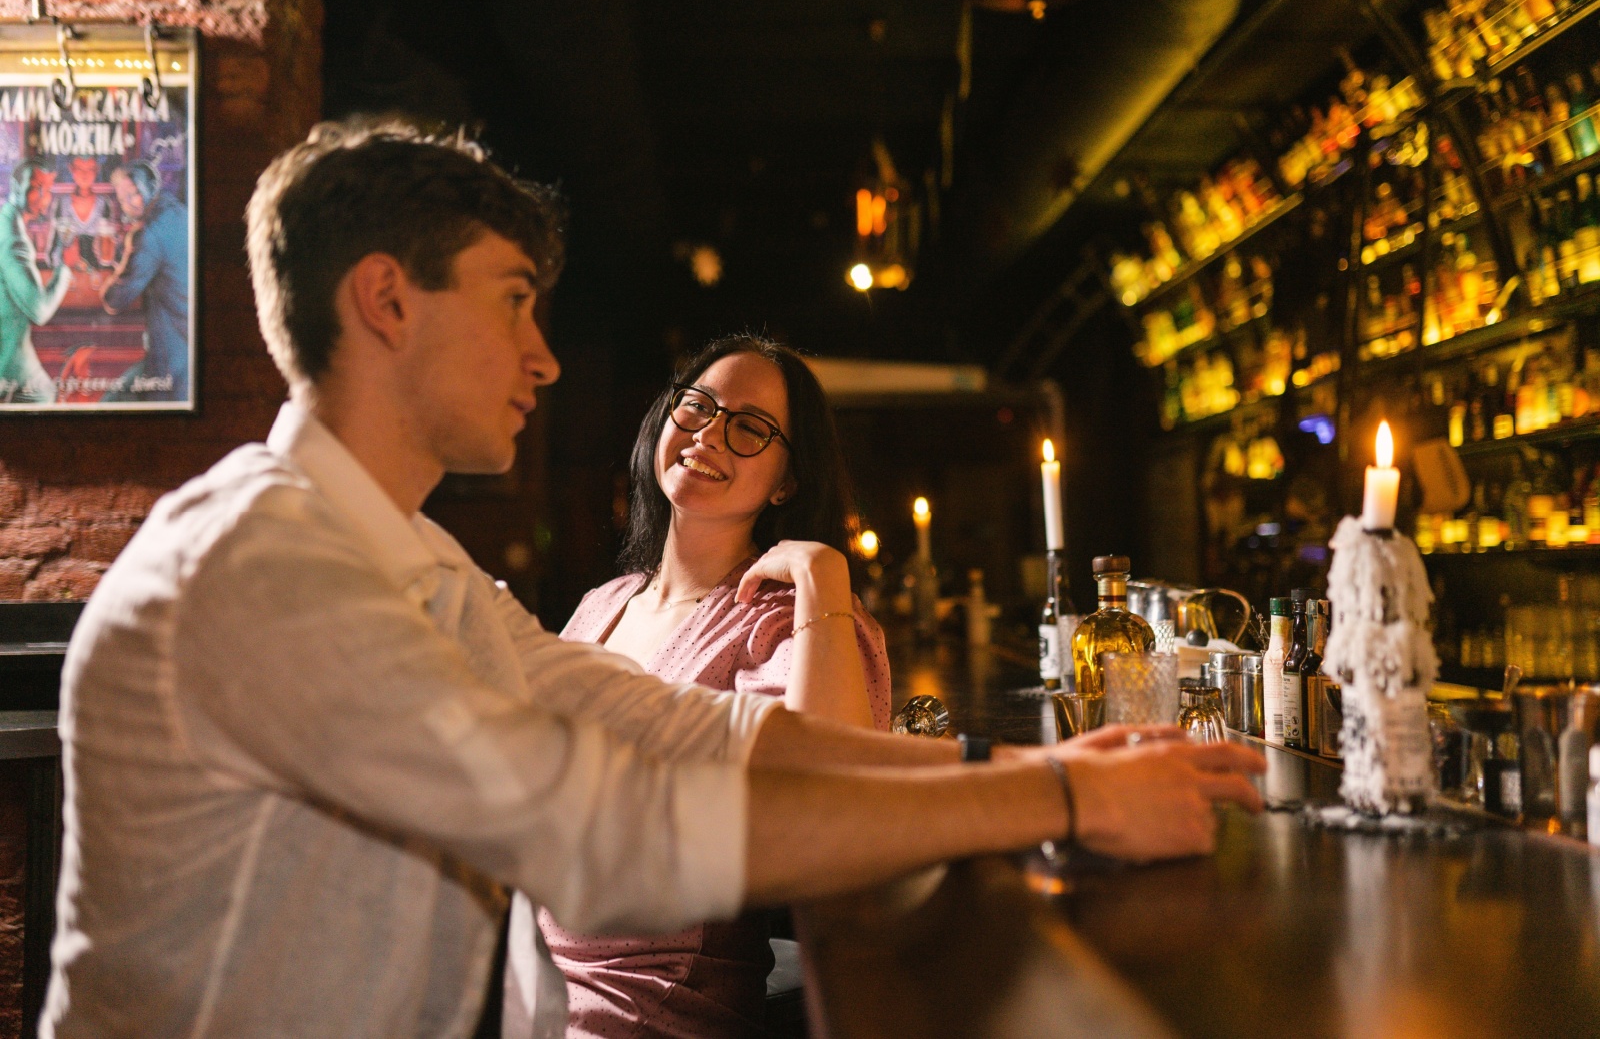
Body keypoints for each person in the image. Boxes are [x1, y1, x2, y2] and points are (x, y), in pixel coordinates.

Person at [44, 119, 1266, 1039]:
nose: (546, 357)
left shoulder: (410, 558)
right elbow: (603, 826)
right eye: (515, 303)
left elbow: (682, 724)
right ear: (386, 300)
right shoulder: (266, 564)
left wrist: (1021, 766)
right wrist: (1056, 799)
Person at [525, 334, 891, 1038]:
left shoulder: (788, 619)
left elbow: (837, 793)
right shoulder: (605, 602)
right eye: (697, 407)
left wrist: (825, 575)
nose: (710, 434)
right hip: (528, 974)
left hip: (644, 1002)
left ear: (788, 480)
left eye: (750, 427)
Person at [100, 160, 189, 402]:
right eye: (122, 199)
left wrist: (121, 263)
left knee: (107, 407)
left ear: (152, 187)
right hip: (185, 346)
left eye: (135, 194)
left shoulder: (147, 232)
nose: (128, 204)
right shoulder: (179, 212)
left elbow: (114, 299)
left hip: (170, 360)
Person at [0, 159, 72, 404]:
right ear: (15, 186)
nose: (43, 197)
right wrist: (65, 268)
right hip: (10, 365)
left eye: (48, 190)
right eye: (35, 187)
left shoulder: (6, 222)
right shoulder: (12, 239)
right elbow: (39, 311)